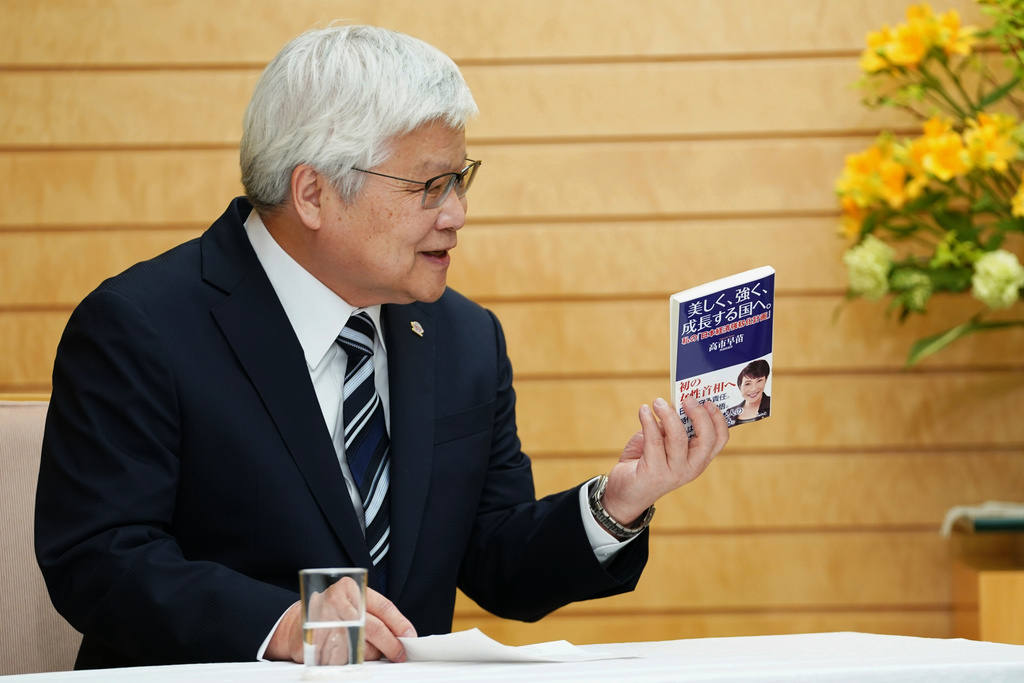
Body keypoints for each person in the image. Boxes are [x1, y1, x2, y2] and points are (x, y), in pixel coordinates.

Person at [34, 24, 729, 670]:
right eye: (429, 185)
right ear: (312, 193)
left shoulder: (463, 337)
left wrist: (615, 504)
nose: (456, 214)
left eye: (461, 179)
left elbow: (494, 560)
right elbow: (98, 557)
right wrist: (284, 621)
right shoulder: (139, 326)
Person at [725, 359, 771, 426]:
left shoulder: (773, 403)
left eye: (759, 381)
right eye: (747, 384)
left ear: (765, 381)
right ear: (740, 387)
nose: (753, 389)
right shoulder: (730, 412)